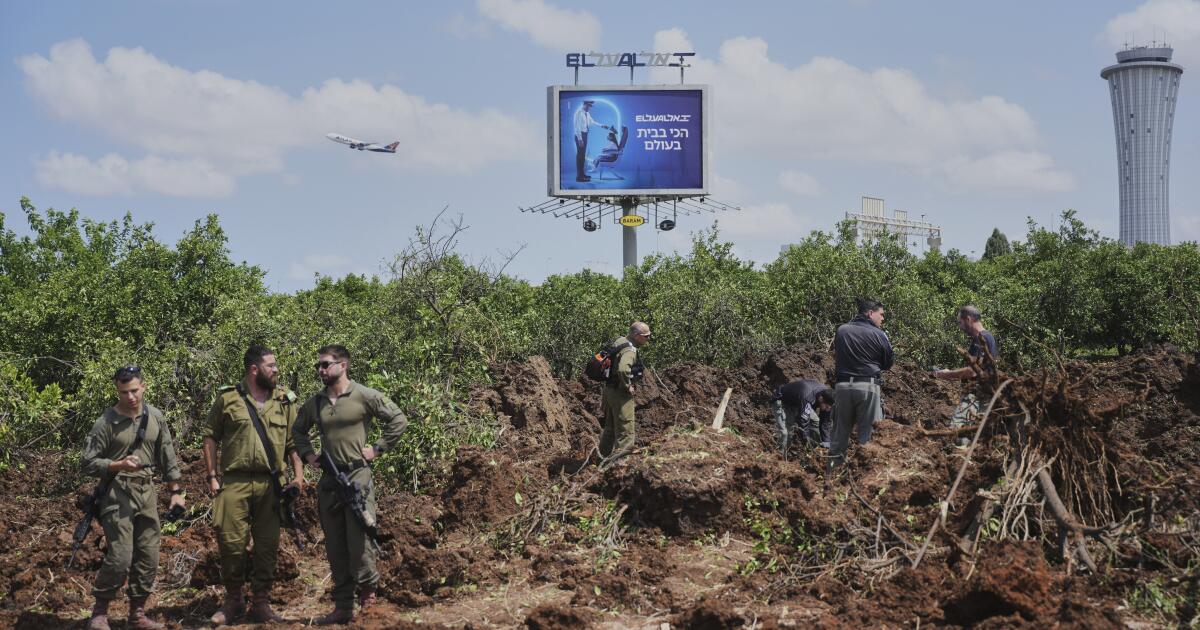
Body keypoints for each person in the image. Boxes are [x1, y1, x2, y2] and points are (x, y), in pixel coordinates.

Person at [292, 344, 409, 625]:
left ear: (342, 365)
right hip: (330, 481)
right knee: (335, 546)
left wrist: (377, 449)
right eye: (318, 366)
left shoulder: (363, 395)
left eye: (325, 364)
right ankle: (343, 607)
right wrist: (308, 455)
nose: (320, 370)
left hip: (357, 478)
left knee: (360, 542)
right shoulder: (316, 403)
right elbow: (297, 430)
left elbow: (398, 419)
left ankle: (369, 603)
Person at [202, 345, 304, 625]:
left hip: (271, 484)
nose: (276, 370)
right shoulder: (228, 399)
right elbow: (210, 436)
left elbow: (294, 444)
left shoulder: (285, 401)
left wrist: (298, 477)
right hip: (234, 482)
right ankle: (234, 600)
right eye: (271, 365)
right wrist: (212, 476)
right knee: (230, 543)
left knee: (267, 546)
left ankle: (261, 603)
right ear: (254, 369)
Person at [81, 365, 184, 630]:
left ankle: (137, 613)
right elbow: (88, 463)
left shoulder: (155, 417)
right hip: (117, 492)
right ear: (117, 391)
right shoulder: (106, 422)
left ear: (143, 387)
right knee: (121, 555)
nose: (130, 397)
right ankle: (99, 613)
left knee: (149, 554)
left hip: (147, 492)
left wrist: (175, 493)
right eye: (124, 392)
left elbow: (168, 456)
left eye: (135, 391)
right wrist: (118, 465)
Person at [828, 299, 894, 473]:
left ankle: (831, 477)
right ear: (870, 313)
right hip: (867, 387)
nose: (883, 319)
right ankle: (866, 478)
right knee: (869, 436)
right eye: (881, 314)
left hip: (842, 388)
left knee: (839, 437)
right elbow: (888, 363)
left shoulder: (841, 330)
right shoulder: (879, 334)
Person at [933, 305, 999, 446]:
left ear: (968, 319)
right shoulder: (986, 337)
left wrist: (946, 375)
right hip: (983, 395)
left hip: (976, 396)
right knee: (973, 434)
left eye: (960, 322)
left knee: (957, 433)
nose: (960, 327)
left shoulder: (982, 338)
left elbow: (972, 371)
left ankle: (961, 455)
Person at [599, 322, 651, 458]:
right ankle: (622, 463)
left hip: (608, 391)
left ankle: (600, 460)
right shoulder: (630, 350)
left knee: (610, 429)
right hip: (620, 394)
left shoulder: (620, 340)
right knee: (626, 431)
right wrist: (627, 385)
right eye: (646, 336)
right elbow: (623, 369)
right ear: (636, 335)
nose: (648, 339)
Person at [771, 379, 834, 457]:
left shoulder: (828, 397)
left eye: (829, 408)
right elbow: (803, 423)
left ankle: (817, 450)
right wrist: (806, 443)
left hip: (799, 402)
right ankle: (780, 456)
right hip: (783, 401)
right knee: (786, 433)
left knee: (815, 422)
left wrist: (827, 443)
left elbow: (825, 423)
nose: (827, 410)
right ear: (821, 399)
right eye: (826, 407)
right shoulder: (808, 396)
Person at [573, 100, 611, 182]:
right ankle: (579, 177)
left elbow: (592, 122)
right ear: (584, 104)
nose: (589, 108)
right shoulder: (579, 113)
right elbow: (577, 127)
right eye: (588, 106)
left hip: (585, 134)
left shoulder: (587, 114)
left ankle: (582, 174)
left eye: (590, 106)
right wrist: (580, 139)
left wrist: (602, 125)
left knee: (582, 156)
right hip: (580, 135)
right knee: (580, 156)